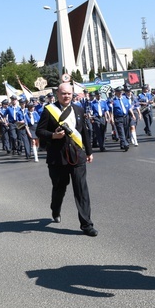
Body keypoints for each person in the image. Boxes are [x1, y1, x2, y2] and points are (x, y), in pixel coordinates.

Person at [36, 82, 97, 237]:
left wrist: (89, 152)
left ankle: (87, 224)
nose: (66, 96)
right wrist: (53, 135)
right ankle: (55, 209)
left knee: (81, 189)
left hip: (77, 156)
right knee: (59, 188)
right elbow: (40, 131)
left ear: (72, 94)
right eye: (63, 93)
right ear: (58, 94)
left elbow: (84, 133)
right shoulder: (49, 110)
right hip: (58, 158)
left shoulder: (78, 109)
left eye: (69, 93)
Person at [111, 86, 131, 151]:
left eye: (121, 92)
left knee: (126, 131)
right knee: (121, 132)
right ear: (116, 93)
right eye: (118, 92)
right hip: (118, 118)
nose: (120, 93)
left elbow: (129, 108)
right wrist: (112, 119)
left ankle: (122, 144)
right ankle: (125, 144)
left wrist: (133, 115)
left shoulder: (125, 98)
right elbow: (111, 111)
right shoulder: (113, 101)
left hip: (126, 117)